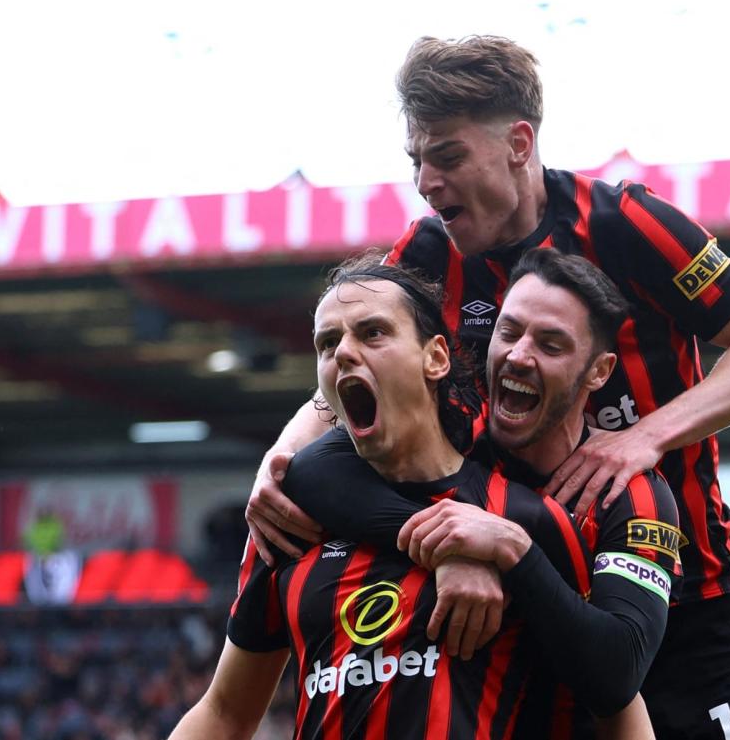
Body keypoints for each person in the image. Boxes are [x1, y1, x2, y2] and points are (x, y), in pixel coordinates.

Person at [247, 35, 730, 739]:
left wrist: (642, 438)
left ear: (519, 143)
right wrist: (284, 455)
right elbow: (357, 365)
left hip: (695, 601)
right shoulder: (425, 258)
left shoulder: (625, 224)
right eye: (416, 160)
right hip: (546, 609)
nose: (426, 181)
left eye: (447, 155)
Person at [173, 255, 669, 739]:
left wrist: (508, 554)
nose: (344, 351)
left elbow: (616, 694)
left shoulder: (536, 520)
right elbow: (224, 712)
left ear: (435, 357)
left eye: (373, 333)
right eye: (327, 343)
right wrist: (443, 544)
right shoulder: (293, 516)